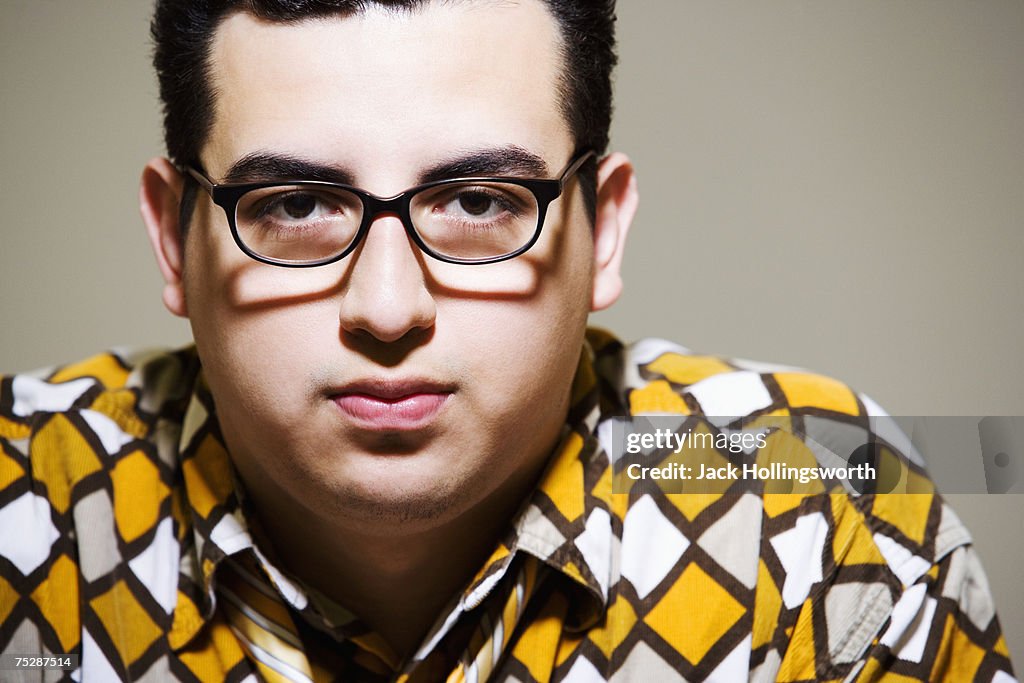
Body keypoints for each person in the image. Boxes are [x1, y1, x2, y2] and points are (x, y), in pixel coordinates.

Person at [0, 0, 1015, 681]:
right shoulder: (20, 508)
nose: (388, 308)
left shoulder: (817, 497)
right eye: (297, 202)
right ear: (173, 237)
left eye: (480, 198)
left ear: (602, 227)